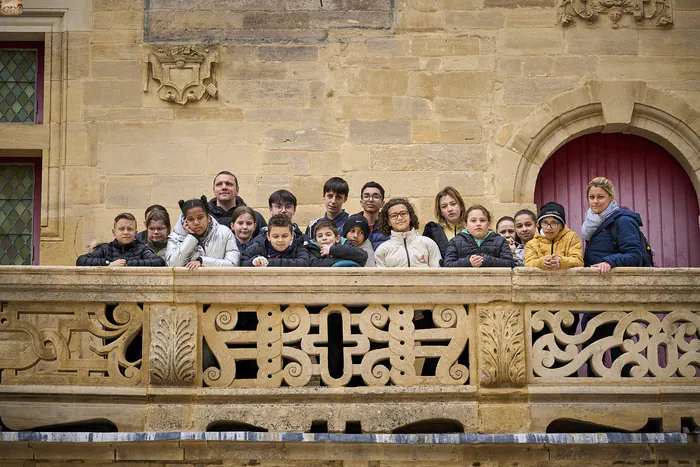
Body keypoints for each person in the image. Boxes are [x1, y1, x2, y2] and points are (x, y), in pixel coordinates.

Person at [582, 177, 646, 275]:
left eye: (600, 197)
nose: (595, 201)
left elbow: (635, 255)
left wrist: (609, 262)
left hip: (617, 284)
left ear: (611, 197)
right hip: (595, 283)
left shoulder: (623, 220)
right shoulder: (592, 221)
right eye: (591, 197)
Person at [166, 195, 240, 270]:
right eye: (190, 219)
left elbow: (233, 264)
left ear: (208, 218)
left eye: (200, 217)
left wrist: (202, 261)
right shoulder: (175, 236)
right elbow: (172, 265)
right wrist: (192, 237)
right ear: (185, 221)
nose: (196, 223)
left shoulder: (224, 232)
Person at [76, 213, 165, 267]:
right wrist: (109, 264)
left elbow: (159, 262)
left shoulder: (142, 249)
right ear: (114, 232)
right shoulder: (105, 248)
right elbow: (81, 260)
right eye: (121, 229)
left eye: (130, 229)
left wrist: (128, 264)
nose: (126, 232)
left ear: (135, 232)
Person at [374, 198, 441, 268]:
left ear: (410, 216)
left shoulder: (428, 243)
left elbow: (438, 274)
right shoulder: (382, 250)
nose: (399, 218)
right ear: (388, 222)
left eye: (403, 213)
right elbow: (381, 278)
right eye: (394, 215)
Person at [443, 205, 514, 268]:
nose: (478, 224)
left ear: (489, 224)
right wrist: (468, 262)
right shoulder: (455, 242)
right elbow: (447, 265)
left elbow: (510, 264)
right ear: (466, 225)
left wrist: (487, 260)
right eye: (473, 221)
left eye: (482, 220)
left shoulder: (500, 241)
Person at [524, 202, 583, 269]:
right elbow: (528, 264)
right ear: (540, 224)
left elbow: (579, 261)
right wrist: (543, 262)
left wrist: (561, 261)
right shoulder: (532, 244)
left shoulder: (572, 238)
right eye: (545, 223)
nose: (549, 228)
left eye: (554, 223)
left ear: (561, 226)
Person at [208, 171, 266, 237]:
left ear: (237, 190)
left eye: (229, 184)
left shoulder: (255, 217)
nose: (224, 187)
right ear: (214, 191)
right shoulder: (204, 218)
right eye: (219, 184)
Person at [242, 214, 310, 267]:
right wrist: (254, 261)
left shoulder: (298, 246)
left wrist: (267, 262)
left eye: (284, 236)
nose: (280, 240)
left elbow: (304, 262)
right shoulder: (259, 246)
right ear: (268, 236)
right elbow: (242, 261)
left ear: (292, 236)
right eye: (275, 236)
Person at [423, 186, 466, 260]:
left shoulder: (472, 227)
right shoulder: (433, 231)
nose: (450, 209)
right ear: (441, 212)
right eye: (444, 206)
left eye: (453, 204)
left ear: (461, 206)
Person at [357, 181, 389, 250]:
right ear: (361, 202)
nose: (371, 200)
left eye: (376, 197)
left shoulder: (389, 226)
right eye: (366, 196)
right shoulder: (351, 223)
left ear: (382, 203)